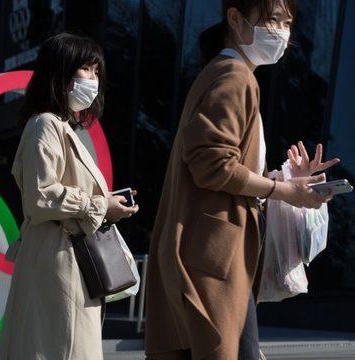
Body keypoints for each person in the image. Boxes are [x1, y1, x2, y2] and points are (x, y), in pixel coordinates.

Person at [144, 1, 339, 359]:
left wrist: (286, 180)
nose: (281, 31)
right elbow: (212, 165)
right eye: (271, 19)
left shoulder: (226, 74)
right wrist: (284, 191)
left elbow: (218, 163)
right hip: (213, 258)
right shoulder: (235, 77)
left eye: (287, 22)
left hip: (216, 257)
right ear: (235, 18)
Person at [0, 32, 139, 360]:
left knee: (61, 346)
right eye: (87, 69)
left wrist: (104, 205)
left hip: (66, 254)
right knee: (61, 347)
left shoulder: (60, 126)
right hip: (57, 255)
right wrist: (102, 205)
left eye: (97, 71)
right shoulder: (45, 124)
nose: (94, 78)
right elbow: (41, 195)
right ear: (60, 72)